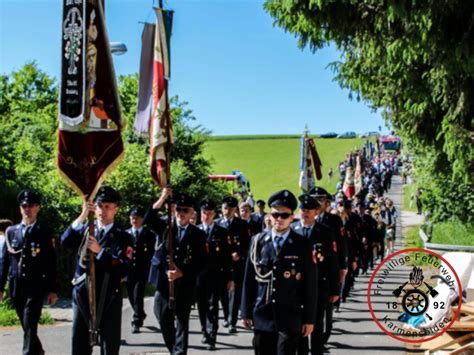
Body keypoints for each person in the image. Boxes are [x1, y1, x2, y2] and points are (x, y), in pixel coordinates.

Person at [241, 189, 317, 355]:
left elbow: (310, 285)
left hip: (290, 316)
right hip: (263, 314)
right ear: (269, 216)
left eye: (284, 215)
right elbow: (249, 279)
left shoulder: (302, 244)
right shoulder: (258, 241)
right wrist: (245, 312)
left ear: (292, 217)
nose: (279, 219)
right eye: (275, 215)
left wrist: (309, 319)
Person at [61, 186, 132, 355]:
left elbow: (123, 268)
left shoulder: (123, 237)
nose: (103, 211)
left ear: (116, 209)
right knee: (79, 346)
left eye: (108, 206)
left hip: (108, 296)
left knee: (109, 347)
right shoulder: (85, 229)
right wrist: (83, 214)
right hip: (83, 294)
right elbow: (65, 241)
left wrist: (100, 252)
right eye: (100, 206)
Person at [148, 192, 207, 355]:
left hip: (184, 284)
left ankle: (180, 352)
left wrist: (183, 274)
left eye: (185, 210)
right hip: (163, 283)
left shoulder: (198, 235)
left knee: (182, 322)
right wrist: (162, 197)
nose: (181, 214)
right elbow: (149, 218)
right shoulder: (166, 227)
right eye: (179, 209)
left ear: (192, 213)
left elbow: (201, 263)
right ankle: (174, 349)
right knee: (163, 318)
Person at [0, 190, 58, 355]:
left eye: (31, 206)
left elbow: (51, 262)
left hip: (36, 286)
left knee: (30, 322)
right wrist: (0, 287)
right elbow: (5, 261)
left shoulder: (44, 231)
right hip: (17, 286)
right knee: (26, 325)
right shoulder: (11, 231)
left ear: (38, 208)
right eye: (24, 206)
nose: (27, 209)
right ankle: (38, 351)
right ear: (20, 209)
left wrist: (53, 289)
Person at [292, 194, 339, 355]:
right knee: (299, 326)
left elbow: (333, 262)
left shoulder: (325, 232)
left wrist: (334, 289)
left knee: (317, 324)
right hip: (297, 286)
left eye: (308, 210)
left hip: (319, 285)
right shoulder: (292, 229)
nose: (305, 213)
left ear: (316, 212)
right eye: (303, 210)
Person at [196, 199, 234, 350]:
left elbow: (227, 257)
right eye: (204, 213)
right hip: (198, 276)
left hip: (215, 275)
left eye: (210, 213)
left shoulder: (222, 232)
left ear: (214, 214)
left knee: (212, 306)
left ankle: (212, 336)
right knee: (202, 305)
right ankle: (204, 330)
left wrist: (230, 278)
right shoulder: (195, 231)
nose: (206, 216)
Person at [215, 196, 251, 333]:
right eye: (225, 208)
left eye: (231, 209)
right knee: (223, 293)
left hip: (236, 265)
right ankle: (226, 316)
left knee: (235, 293)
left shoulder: (242, 225)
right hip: (221, 265)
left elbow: (248, 245)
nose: (227, 211)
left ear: (235, 210)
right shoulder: (217, 224)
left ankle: (232, 321)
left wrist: (240, 254)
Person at [125, 206, 156, 333]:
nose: (134, 220)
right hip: (128, 270)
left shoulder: (149, 235)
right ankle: (141, 312)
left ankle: (136, 320)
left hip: (142, 270)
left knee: (138, 294)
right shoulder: (125, 234)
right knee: (131, 296)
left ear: (142, 219)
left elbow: (152, 253)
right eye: (132, 217)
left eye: (137, 218)